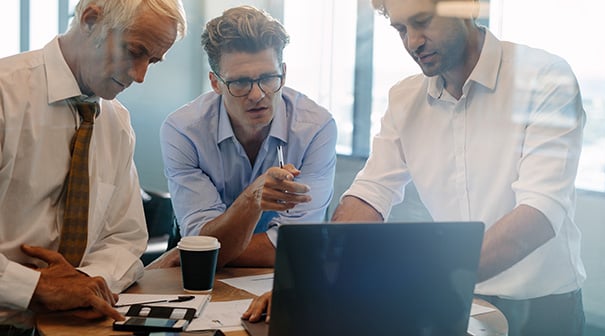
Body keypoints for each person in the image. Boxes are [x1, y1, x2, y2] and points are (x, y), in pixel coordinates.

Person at [243, 0, 586, 335]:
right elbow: (370, 194)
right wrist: (314, 283)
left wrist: (420, 281)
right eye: (401, 28)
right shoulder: (405, 99)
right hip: (455, 303)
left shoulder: (544, 78)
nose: (412, 42)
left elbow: (541, 212)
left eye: (422, 21)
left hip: (540, 312)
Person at [0, 0, 187, 331]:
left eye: (153, 61)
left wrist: (84, 283)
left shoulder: (116, 123)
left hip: (68, 325)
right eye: (134, 51)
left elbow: (125, 237)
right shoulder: (5, 94)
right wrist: (36, 287)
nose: (141, 76)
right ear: (90, 20)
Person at [148, 5, 336, 269]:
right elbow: (201, 240)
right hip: (204, 277)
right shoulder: (183, 130)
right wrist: (253, 198)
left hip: (276, 274)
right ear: (215, 83)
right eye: (240, 82)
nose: (257, 94)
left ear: (283, 72)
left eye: (269, 78)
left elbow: (294, 246)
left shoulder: (316, 127)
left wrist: (192, 253)